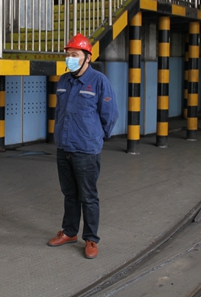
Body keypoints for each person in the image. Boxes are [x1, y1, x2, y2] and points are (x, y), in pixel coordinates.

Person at [47, 34, 119, 259]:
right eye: (68, 55)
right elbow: (60, 111)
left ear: (87, 57)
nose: (70, 59)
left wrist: (96, 136)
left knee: (88, 196)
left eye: (75, 55)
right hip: (64, 147)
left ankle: (91, 239)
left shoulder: (99, 81)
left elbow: (110, 114)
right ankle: (69, 232)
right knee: (69, 194)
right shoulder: (63, 80)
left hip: (86, 149)